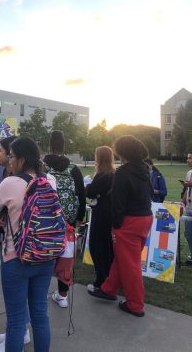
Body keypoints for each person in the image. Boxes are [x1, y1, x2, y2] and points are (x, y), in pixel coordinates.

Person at [0, 136, 56, 352]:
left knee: (16, 322)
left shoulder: (10, 183)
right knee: (40, 316)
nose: (10, 161)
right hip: (45, 255)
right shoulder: (50, 181)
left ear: (22, 160)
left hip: (16, 258)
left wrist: (6, 219)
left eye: (12, 157)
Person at [88, 135, 153, 317]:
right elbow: (151, 192)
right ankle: (108, 289)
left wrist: (115, 225)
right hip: (145, 218)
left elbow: (118, 203)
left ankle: (135, 304)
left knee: (131, 264)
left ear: (123, 152)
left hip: (129, 222)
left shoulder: (123, 172)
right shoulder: (145, 169)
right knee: (123, 258)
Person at [43, 130, 86, 308]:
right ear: (64, 146)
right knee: (65, 257)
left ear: (50, 145)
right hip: (67, 220)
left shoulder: (42, 167)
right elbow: (81, 194)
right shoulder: (73, 168)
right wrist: (79, 218)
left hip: (45, 219)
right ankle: (62, 295)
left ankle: (41, 290)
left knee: (45, 256)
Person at [86, 146, 115, 291]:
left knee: (97, 246)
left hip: (101, 215)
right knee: (107, 247)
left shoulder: (103, 174)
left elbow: (91, 192)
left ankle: (101, 280)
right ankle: (107, 277)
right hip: (109, 213)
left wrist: (87, 186)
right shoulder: (113, 173)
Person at [181, 152, 192, 266]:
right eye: (188, 158)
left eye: (190, 158)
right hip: (189, 208)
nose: (188, 160)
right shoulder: (189, 173)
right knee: (188, 234)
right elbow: (186, 190)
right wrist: (182, 201)